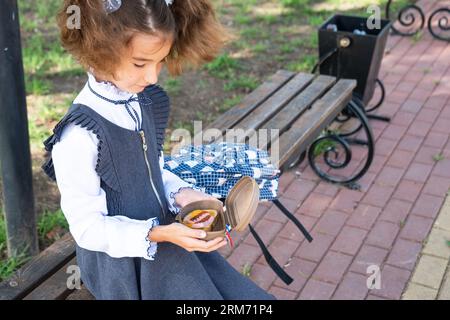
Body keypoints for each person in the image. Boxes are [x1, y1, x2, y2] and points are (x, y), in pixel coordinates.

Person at [42, 0, 276, 300]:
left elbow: (154, 171)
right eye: (141, 63)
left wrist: (183, 195)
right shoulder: (79, 136)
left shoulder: (141, 100)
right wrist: (159, 234)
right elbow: (87, 228)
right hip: (122, 264)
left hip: (163, 233)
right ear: (100, 51)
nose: (153, 77)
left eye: (161, 61)